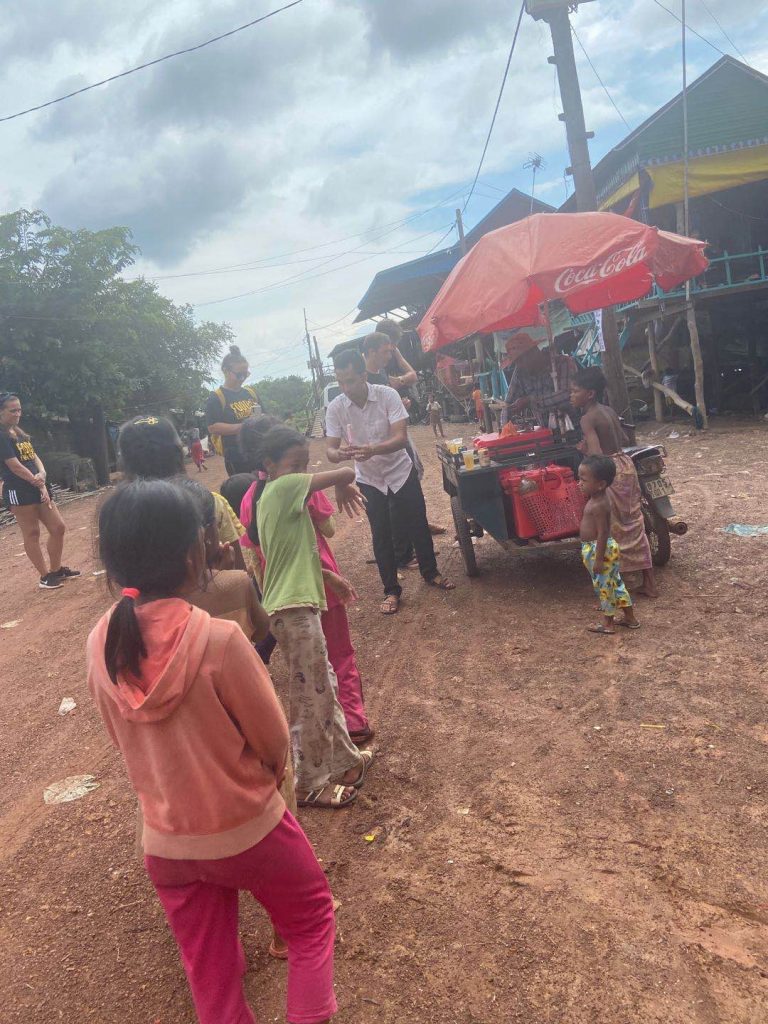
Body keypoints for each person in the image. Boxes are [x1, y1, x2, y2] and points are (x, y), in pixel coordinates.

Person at [87, 480, 338, 1024]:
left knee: (211, 971)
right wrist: (267, 787)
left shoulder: (101, 640)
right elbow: (273, 744)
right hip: (249, 827)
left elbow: (121, 740)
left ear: (112, 564)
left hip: (168, 843)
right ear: (194, 552)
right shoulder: (219, 640)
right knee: (312, 921)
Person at [256, 424, 374, 809]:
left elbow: (288, 555)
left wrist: (327, 576)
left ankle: (345, 762)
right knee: (311, 697)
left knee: (324, 688)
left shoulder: (278, 496)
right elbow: (346, 472)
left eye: (305, 464)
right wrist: (340, 482)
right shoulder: (284, 487)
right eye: (296, 464)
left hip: (297, 605)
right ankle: (308, 782)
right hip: (293, 610)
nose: (303, 471)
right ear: (269, 465)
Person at [326, 349, 454, 616]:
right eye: (340, 381)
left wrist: (372, 449)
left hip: (399, 469)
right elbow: (330, 449)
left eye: (350, 380)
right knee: (381, 533)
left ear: (363, 375)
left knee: (417, 523)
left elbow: (400, 438)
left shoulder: (387, 395)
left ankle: (431, 573)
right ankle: (391, 590)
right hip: (369, 478)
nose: (345, 387)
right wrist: (338, 455)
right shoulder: (337, 407)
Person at [569, 367, 658, 598]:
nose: (571, 395)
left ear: (589, 394)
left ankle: (617, 586)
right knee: (634, 522)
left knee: (612, 526)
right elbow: (625, 439)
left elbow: (597, 456)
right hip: (626, 464)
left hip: (609, 471)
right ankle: (649, 581)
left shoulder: (587, 418)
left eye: (575, 391)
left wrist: (584, 450)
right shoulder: (608, 410)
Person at [118, 414, 247, 573]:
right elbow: (236, 563)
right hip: (212, 593)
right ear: (178, 454)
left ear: (125, 463)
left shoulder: (118, 512)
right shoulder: (210, 502)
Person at [0, 391, 79, 590]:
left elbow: (33, 456)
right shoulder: (1, 437)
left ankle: (56, 569)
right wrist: (38, 482)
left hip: (37, 485)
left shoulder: (19, 432)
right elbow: (14, 466)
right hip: (19, 490)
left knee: (58, 527)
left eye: (19, 409)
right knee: (32, 533)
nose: (18, 413)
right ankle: (45, 576)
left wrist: (43, 474)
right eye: (13, 410)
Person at [578, 455, 640, 635]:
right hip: (603, 548)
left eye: (583, 479)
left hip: (599, 548)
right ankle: (630, 618)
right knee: (615, 583)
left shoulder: (598, 504)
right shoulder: (598, 499)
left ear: (600, 484)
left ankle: (608, 623)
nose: (579, 483)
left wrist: (598, 559)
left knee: (604, 587)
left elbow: (603, 532)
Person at [205, 345, 262, 475]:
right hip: (236, 456)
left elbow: (264, 414)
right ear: (226, 371)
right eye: (239, 375)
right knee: (244, 491)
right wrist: (245, 427)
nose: (243, 378)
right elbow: (213, 427)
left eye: (245, 374)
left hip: (258, 450)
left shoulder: (251, 393)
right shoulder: (216, 397)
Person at [496, 345, 578, 427]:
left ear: (534, 353)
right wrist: (505, 428)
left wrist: (530, 400)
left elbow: (567, 396)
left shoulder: (563, 363)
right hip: (544, 429)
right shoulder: (519, 371)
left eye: (521, 360)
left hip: (571, 426)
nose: (519, 365)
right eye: (516, 362)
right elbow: (507, 404)